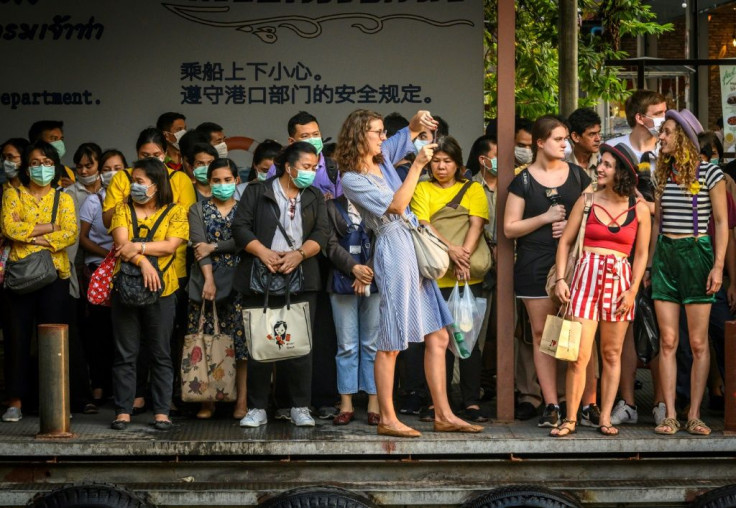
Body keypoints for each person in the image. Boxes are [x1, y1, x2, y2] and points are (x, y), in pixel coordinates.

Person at [337, 108, 483, 437]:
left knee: (440, 335)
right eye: (377, 132)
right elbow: (398, 205)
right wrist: (417, 165)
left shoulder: (382, 156)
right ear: (361, 135)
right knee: (391, 342)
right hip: (394, 247)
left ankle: (443, 414)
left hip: (412, 243)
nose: (383, 137)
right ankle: (387, 418)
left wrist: (419, 122)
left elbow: (409, 132)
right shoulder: (352, 178)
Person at [552, 143, 651, 437]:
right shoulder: (587, 200)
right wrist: (560, 279)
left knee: (611, 354)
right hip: (584, 279)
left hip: (620, 283)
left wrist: (633, 290)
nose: (600, 168)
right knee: (578, 356)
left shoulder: (639, 209)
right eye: (600, 163)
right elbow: (565, 242)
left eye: (607, 164)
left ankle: (605, 417)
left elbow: (642, 254)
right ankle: (570, 418)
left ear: (621, 170)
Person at [233, 142, 329, 428]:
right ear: (289, 167)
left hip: (301, 277)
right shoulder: (257, 191)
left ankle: (300, 406)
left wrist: (299, 255)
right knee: (260, 344)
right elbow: (240, 227)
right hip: (259, 276)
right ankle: (257, 407)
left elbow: (322, 233)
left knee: (300, 345)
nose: (312, 172)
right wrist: (263, 253)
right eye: (307, 167)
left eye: (315, 167)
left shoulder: (313, 195)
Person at [504, 115, 592, 428]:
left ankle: (578, 403)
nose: (565, 144)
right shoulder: (523, 181)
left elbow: (595, 216)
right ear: (540, 143)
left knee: (574, 332)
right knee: (544, 336)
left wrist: (570, 227)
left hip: (572, 264)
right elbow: (509, 227)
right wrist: (544, 217)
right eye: (558, 139)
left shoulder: (579, 176)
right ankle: (551, 404)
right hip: (533, 263)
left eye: (566, 138)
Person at [102, 128, 196, 414]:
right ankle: (123, 410)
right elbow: (120, 244)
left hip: (164, 287)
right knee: (125, 354)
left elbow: (171, 246)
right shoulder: (122, 210)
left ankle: (161, 412)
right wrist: (143, 261)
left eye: (139, 182)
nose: (134, 186)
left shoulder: (176, 211)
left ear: (156, 184)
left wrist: (138, 249)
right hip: (126, 287)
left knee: (160, 353)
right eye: (133, 182)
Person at [646, 109, 727, 436]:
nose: (661, 137)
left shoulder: (710, 173)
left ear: (683, 137)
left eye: (666, 132)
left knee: (696, 342)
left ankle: (694, 414)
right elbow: (656, 223)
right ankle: (669, 414)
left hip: (697, 253)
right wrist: (651, 264)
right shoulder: (661, 175)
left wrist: (718, 266)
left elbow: (721, 223)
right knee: (667, 340)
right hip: (666, 254)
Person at [410, 136, 490, 422]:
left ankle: (471, 401)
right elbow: (423, 224)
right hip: (434, 275)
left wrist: (463, 256)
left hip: (466, 274)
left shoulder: (473, 189)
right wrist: (451, 252)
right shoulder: (421, 189)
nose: (441, 167)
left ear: (458, 164)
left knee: (468, 341)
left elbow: (477, 224)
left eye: (447, 161)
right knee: (436, 342)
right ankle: (437, 402)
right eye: (436, 161)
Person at [0, 140, 78, 422]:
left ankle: (56, 402)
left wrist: (31, 235)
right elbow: (9, 227)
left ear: (55, 166)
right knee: (17, 339)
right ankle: (16, 402)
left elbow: (70, 234)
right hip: (20, 275)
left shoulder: (64, 198)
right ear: (26, 167)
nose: (41, 168)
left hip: (54, 276)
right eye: (35, 163)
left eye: (47, 163)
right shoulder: (13, 194)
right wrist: (50, 229)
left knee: (54, 340)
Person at [187, 158, 247, 420]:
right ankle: (207, 401)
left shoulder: (246, 209)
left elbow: (245, 241)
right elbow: (199, 246)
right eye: (216, 181)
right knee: (206, 341)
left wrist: (216, 246)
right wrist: (209, 279)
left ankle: (241, 402)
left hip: (240, 283)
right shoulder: (197, 210)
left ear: (236, 181)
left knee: (241, 345)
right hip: (206, 281)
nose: (221, 185)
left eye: (226, 180)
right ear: (208, 182)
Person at [324, 191, 380, 425]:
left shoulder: (378, 205)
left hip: (375, 279)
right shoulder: (331, 207)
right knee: (346, 344)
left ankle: (374, 403)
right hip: (341, 279)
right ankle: (346, 403)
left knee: (373, 344)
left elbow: (384, 240)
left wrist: (365, 272)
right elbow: (329, 243)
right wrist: (353, 270)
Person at [78, 149, 127, 407]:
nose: (112, 173)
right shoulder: (94, 201)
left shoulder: (133, 198)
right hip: (98, 270)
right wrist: (109, 253)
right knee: (98, 333)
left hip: (126, 270)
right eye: (107, 168)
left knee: (123, 334)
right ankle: (98, 387)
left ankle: (120, 390)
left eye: (118, 168)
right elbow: (83, 238)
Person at [27, 120, 76, 187]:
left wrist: (73, 189)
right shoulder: (29, 170)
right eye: (54, 139)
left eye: (61, 139)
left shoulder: (68, 172)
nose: (59, 143)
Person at [566, 107, 602, 185]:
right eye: (592, 134)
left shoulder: (604, 163)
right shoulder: (563, 167)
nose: (598, 139)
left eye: (598, 133)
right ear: (575, 137)